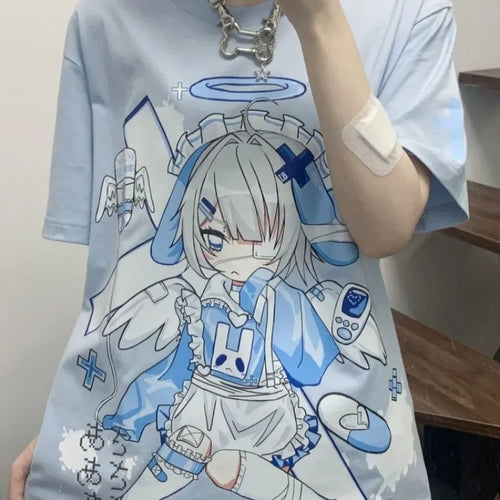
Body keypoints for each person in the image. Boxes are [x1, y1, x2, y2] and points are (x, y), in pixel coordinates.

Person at [10, 0, 469, 498]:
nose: (233, 248)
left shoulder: (407, 14)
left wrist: (320, 20)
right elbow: (117, 277)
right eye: (213, 233)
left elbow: (386, 229)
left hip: (296, 430)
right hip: (172, 430)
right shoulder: (103, 22)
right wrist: (82, 434)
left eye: (255, 230)